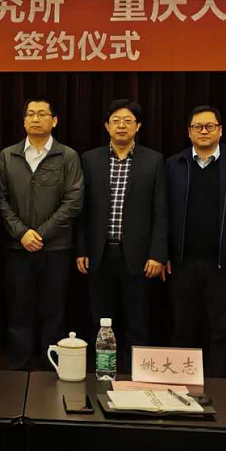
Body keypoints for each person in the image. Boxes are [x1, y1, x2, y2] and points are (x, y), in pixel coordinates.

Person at [164, 105, 226, 377]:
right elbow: (162, 212)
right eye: (198, 127)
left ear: (220, 130)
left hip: (224, 264)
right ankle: (183, 383)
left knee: (221, 329)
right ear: (189, 132)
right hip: (182, 263)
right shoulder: (174, 165)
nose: (204, 131)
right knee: (183, 328)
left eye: (210, 126)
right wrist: (163, 253)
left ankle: (219, 383)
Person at [0, 98, 83, 370]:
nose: (35, 118)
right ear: (23, 121)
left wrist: (41, 234)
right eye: (30, 114)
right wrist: (22, 233)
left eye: (42, 114)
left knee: (53, 312)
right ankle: (18, 368)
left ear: (54, 121)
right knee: (18, 311)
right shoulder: (8, 156)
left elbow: (74, 201)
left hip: (55, 250)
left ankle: (50, 368)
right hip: (17, 248)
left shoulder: (67, 156)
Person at [76, 99, 166, 363]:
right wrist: (81, 249)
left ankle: (136, 373)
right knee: (100, 320)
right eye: (116, 121)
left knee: (138, 321)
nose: (122, 126)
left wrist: (158, 254)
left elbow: (161, 212)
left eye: (128, 121)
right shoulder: (90, 159)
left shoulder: (154, 160)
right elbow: (81, 209)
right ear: (106, 126)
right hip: (99, 253)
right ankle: (103, 371)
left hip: (139, 256)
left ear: (138, 126)